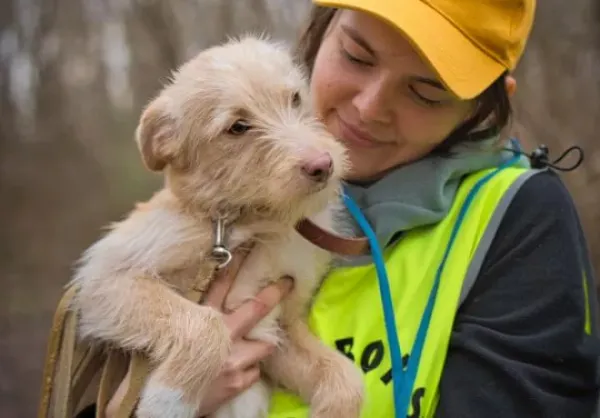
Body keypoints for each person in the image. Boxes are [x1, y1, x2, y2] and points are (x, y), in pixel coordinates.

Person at [195, 1, 600, 417]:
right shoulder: (218, 185)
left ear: (482, 104)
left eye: (425, 92)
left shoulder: (517, 218)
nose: (369, 108)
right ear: (320, 28)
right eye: (356, 56)